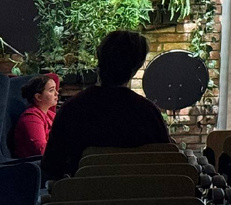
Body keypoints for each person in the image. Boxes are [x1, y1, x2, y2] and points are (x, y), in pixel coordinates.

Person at [40, 31, 170, 178]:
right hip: (140, 192)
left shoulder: (72, 109)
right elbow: (166, 163)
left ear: (100, 59)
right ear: (136, 67)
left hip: (85, 191)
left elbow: (51, 166)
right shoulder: (148, 113)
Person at [10, 73, 59, 158]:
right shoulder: (31, 118)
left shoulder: (50, 114)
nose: (56, 93)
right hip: (35, 163)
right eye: (51, 90)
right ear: (38, 97)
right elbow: (42, 150)